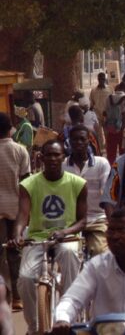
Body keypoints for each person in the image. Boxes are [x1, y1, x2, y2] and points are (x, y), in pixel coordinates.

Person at [10, 140, 88, 333]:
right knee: (26, 278)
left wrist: (65, 232)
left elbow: (83, 221)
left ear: (64, 157)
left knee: (69, 256)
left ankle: (69, 313)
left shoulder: (78, 183)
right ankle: (35, 326)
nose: (53, 159)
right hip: (37, 237)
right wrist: (18, 235)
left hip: (67, 237)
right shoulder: (29, 184)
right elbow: (22, 216)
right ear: (41, 157)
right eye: (49, 155)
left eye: (57, 155)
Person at [63, 125, 111, 256]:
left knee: (101, 253)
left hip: (97, 219)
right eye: (74, 139)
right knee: (68, 253)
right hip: (70, 221)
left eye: (82, 139)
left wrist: (112, 222)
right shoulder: (62, 165)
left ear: (88, 141)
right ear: (69, 142)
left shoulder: (101, 164)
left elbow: (106, 196)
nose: (78, 142)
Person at [0, 112, 30, 311]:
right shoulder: (20, 150)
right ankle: (18, 297)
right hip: (16, 210)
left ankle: (3, 295)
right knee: (15, 253)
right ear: (11, 128)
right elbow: (27, 182)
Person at [104, 85, 125, 163]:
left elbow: (105, 112)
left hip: (111, 127)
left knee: (111, 152)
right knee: (123, 151)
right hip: (123, 127)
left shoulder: (109, 98)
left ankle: (111, 167)